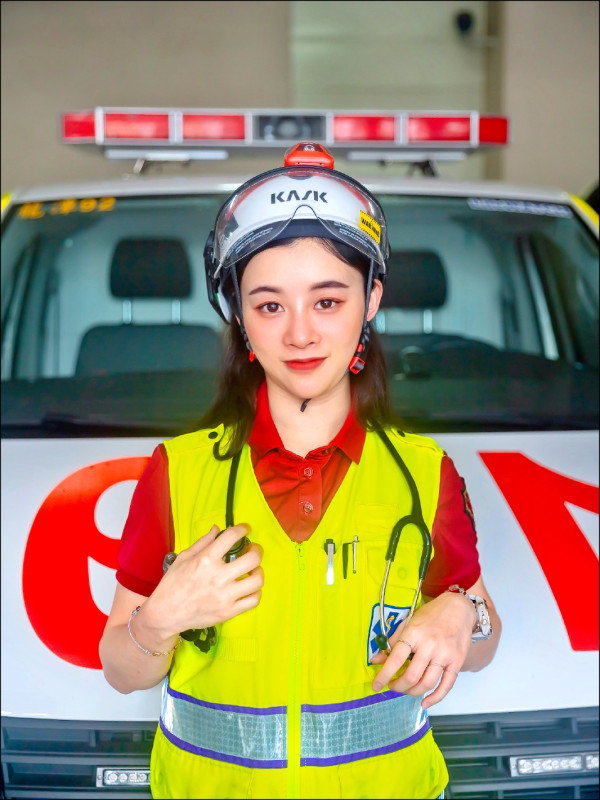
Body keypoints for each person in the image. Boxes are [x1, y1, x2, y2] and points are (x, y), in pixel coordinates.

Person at [99, 142, 501, 800]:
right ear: (238, 315)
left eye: (327, 301)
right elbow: (121, 671)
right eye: (269, 306)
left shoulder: (425, 473)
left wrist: (462, 612)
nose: (300, 335)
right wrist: (156, 622)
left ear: (371, 300)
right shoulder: (177, 470)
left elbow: (481, 643)